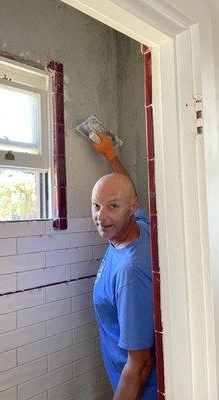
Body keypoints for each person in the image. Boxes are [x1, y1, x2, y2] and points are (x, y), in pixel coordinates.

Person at [91, 131, 157, 400]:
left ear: (131, 207)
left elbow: (141, 363)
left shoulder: (130, 273)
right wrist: (111, 155)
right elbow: (129, 190)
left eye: (112, 207)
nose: (101, 216)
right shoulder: (139, 226)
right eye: (96, 206)